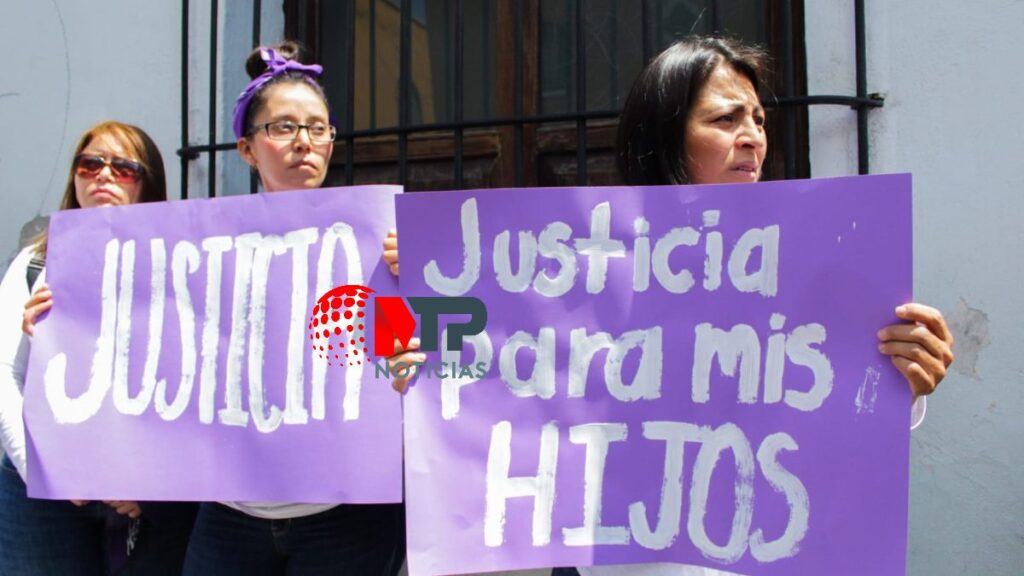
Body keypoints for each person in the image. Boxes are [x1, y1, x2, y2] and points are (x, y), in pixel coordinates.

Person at [549, 35, 954, 576]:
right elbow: (499, 378)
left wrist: (904, 377)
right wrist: (421, 360)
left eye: (759, 121)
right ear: (665, 137)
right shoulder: (578, 266)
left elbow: (831, 425)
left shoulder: (813, 264)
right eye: (725, 120)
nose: (752, 139)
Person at [178, 41, 405, 575]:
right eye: (282, 127)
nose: (304, 142)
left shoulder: (377, 245)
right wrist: (60, 325)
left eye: (318, 127)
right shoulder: (198, 251)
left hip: (345, 516)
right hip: (230, 512)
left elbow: (410, 367)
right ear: (246, 148)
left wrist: (419, 289)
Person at [0, 121, 198, 575]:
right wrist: (41, 469)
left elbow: (192, 375)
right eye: (89, 164)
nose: (103, 175)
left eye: (124, 167)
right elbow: (6, 375)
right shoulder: (35, 264)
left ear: (148, 183)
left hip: (142, 491)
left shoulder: (184, 264)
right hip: (43, 489)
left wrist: (148, 484)